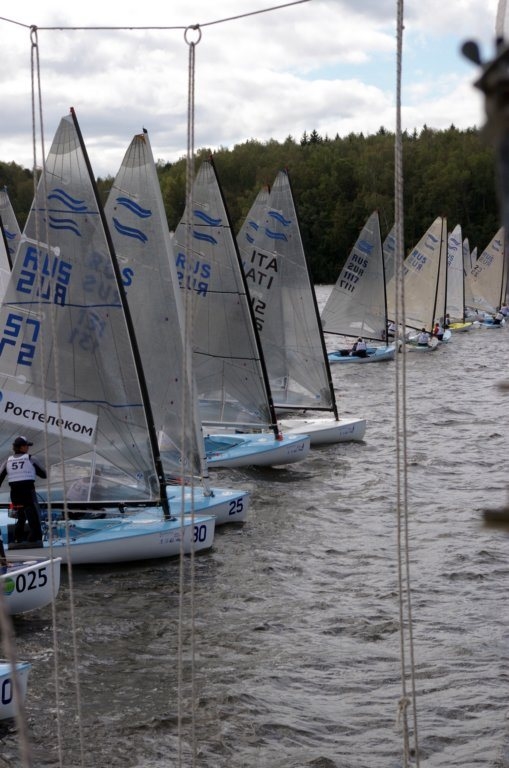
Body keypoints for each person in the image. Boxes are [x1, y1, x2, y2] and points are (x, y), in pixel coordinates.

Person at [0, 436, 47, 547]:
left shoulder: (7, 461)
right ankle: (34, 539)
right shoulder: (31, 458)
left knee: (20, 516)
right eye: (26, 446)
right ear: (21, 447)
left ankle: (17, 539)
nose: (28, 448)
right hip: (28, 492)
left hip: (15, 494)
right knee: (32, 514)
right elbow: (44, 474)